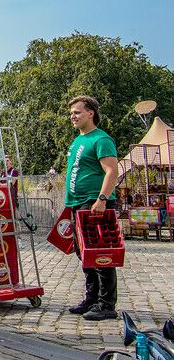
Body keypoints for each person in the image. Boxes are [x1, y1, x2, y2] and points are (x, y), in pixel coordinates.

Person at [65, 95, 119, 321]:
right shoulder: (77, 141)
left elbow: (112, 171)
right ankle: (92, 297)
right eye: (71, 114)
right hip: (77, 203)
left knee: (100, 254)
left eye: (77, 112)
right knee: (84, 253)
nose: (73, 117)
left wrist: (102, 198)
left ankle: (106, 304)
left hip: (94, 203)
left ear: (91, 113)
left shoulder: (101, 139)